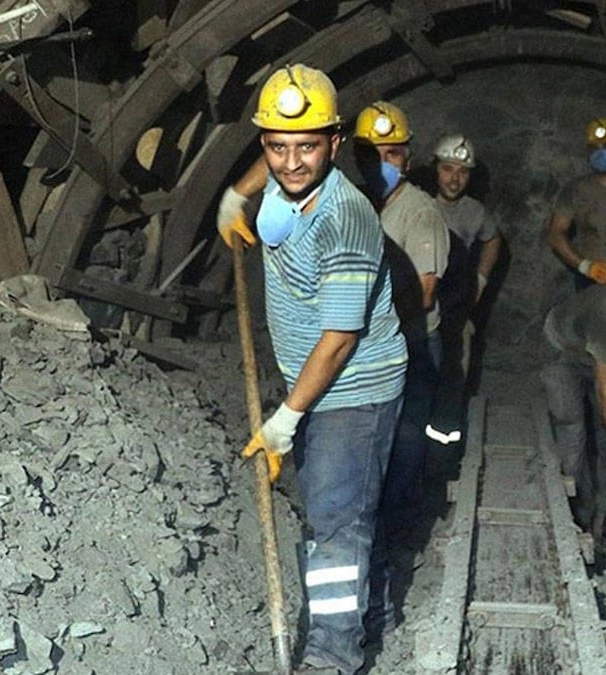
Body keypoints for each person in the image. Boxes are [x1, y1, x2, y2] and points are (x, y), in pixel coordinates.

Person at [224, 64, 407, 675]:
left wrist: (285, 420)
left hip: (353, 388)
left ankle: (332, 656)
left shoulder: (345, 218)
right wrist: (235, 195)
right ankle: (364, 612)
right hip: (314, 380)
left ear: (334, 143)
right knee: (336, 506)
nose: (291, 162)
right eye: (277, 147)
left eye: (307, 147)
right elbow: (275, 162)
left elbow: (340, 339)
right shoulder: (283, 175)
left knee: (335, 522)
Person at [350, 100, 450, 632]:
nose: (382, 164)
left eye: (392, 154)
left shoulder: (419, 212)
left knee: (401, 457)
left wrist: (355, 321)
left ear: (407, 159)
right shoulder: (353, 204)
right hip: (363, 354)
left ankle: (391, 571)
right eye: (372, 154)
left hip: (410, 350)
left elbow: (424, 292)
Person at [540, 282, 606, 540]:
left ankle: (601, 522)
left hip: (601, 356)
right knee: (572, 429)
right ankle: (570, 517)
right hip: (563, 350)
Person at [426, 134, 503, 445]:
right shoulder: (421, 205)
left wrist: (480, 281)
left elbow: (493, 240)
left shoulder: (474, 212)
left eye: (462, 172)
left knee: (456, 365)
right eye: (447, 169)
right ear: (435, 169)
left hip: (456, 302)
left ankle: (447, 440)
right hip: (423, 301)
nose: (454, 179)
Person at [545, 117, 606, 289]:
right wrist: (586, 267)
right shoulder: (575, 190)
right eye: (595, 147)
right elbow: (555, 234)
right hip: (587, 278)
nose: (601, 152)